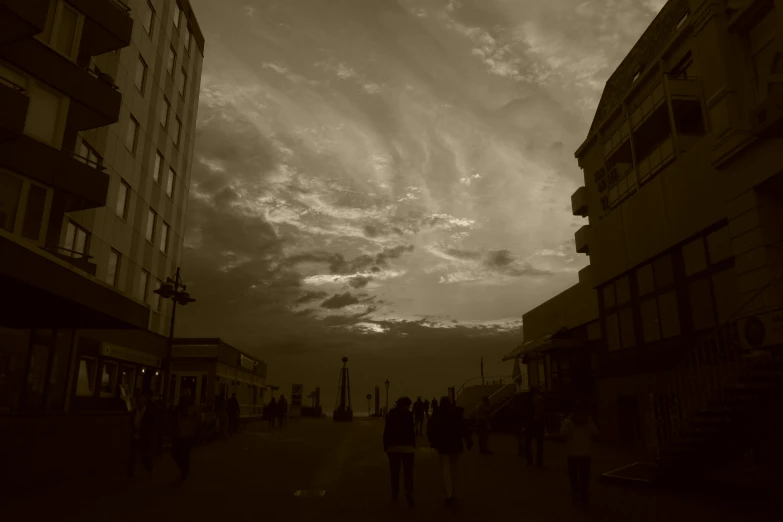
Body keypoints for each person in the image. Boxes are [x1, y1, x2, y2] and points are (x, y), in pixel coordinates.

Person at [546, 401, 599, 507]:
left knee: (573, 475)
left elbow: (562, 435)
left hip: (572, 453)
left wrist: (551, 437)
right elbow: (595, 434)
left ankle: (576, 493)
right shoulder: (588, 422)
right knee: (584, 476)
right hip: (585, 453)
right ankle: (583, 496)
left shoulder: (568, 422)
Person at [427, 396, 473, 505]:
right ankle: (455, 492)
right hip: (456, 444)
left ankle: (448, 494)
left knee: (445, 469)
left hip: (443, 445)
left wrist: (432, 441)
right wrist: (468, 441)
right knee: (454, 469)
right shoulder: (457, 413)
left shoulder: (437, 414)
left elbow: (431, 428)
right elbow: (463, 428)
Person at [383, 396, 416, 507]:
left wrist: (386, 446)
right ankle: (408, 492)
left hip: (393, 447)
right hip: (407, 448)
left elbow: (387, 430)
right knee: (408, 472)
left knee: (394, 471)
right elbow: (412, 432)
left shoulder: (391, 413)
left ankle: (395, 492)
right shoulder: (409, 415)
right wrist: (413, 445)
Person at [172, 391, 201, 480]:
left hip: (188, 434)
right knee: (176, 453)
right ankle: (184, 469)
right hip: (180, 434)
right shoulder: (178, 408)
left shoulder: (193, 408)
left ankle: (184, 471)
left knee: (184, 453)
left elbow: (197, 420)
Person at [127, 392, 154, 478]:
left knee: (143, 455)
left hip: (142, 437)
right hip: (135, 436)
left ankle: (149, 467)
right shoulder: (135, 412)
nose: (139, 404)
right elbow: (132, 421)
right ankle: (130, 472)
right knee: (132, 454)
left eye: (141, 402)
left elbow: (150, 426)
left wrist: (141, 430)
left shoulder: (148, 414)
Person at [523, 386, 546, 467]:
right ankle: (539, 462)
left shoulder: (528, 400)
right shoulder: (541, 399)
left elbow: (526, 412)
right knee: (539, 444)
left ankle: (529, 460)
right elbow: (543, 412)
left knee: (527, 442)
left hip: (530, 423)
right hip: (539, 423)